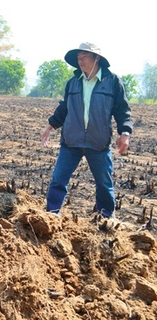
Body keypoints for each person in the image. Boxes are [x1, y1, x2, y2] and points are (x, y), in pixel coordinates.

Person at [41, 42, 133, 219]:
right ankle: (52, 215)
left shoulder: (112, 81)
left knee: (104, 184)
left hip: (98, 143)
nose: (80, 61)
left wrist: (125, 133)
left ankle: (106, 218)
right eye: (78, 58)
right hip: (71, 141)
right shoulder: (73, 82)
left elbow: (122, 110)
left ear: (96, 58)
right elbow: (64, 108)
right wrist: (49, 127)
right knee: (58, 180)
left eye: (84, 57)